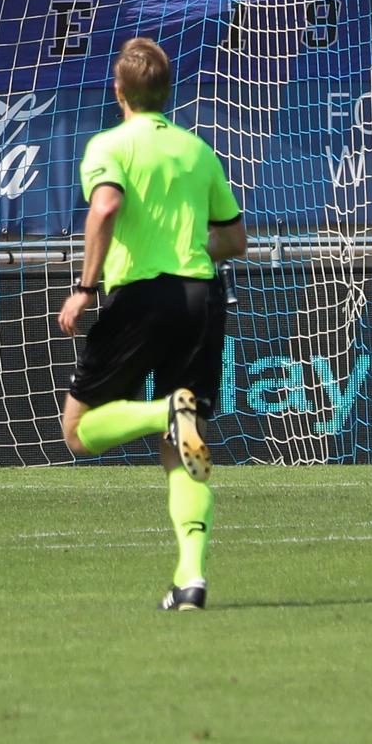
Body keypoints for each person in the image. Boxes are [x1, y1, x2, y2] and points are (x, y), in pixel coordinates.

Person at [49, 32, 247, 613]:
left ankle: (165, 411)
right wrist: (190, 246)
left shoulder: (111, 145)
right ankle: (191, 580)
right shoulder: (196, 150)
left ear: (120, 91)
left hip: (142, 298)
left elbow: (105, 205)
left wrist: (85, 287)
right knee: (180, 449)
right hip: (201, 297)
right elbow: (234, 239)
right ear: (168, 92)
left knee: (78, 432)